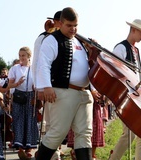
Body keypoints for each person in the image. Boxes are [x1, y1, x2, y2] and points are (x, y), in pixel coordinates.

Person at [35, 7, 94, 160]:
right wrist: (46, 86)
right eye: (69, 25)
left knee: (84, 134)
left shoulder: (80, 42)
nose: (73, 29)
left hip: (83, 93)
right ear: (60, 23)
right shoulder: (52, 39)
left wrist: (94, 51)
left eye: (76, 25)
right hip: (63, 92)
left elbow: (89, 66)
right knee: (57, 132)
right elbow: (43, 64)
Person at [32, 10, 64, 160]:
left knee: (59, 123)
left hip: (63, 86)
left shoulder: (67, 38)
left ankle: (54, 153)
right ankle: (52, 155)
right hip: (48, 86)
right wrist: (39, 87)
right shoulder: (43, 38)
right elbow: (37, 63)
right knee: (49, 123)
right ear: (58, 22)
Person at [109, 19, 141, 160]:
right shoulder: (121, 48)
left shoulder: (136, 51)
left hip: (136, 96)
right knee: (130, 133)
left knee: (139, 132)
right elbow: (114, 72)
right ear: (133, 30)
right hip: (124, 96)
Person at [8, 46, 39, 159]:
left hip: (31, 96)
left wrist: (36, 88)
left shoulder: (34, 68)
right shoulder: (15, 68)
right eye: (20, 55)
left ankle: (29, 149)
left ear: (29, 56)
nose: (21, 58)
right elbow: (9, 85)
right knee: (19, 121)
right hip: (18, 95)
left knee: (30, 121)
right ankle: (20, 148)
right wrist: (17, 84)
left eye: (23, 56)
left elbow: (38, 83)